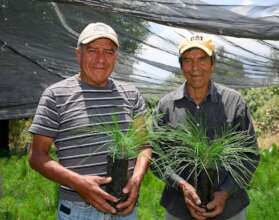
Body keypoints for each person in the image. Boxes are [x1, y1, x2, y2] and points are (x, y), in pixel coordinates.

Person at [28, 22, 151, 220]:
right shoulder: (56, 95)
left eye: (108, 51)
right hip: (78, 209)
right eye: (92, 50)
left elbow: (143, 145)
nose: (100, 59)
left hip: (125, 207)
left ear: (116, 57)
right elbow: (36, 156)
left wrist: (136, 180)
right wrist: (78, 183)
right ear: (79, 54)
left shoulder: (131, 94)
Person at [153, 34, 260, 220]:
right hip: (179, 208)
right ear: (181, 66)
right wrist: (181, 185)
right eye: (188, 60)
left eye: (202, 59)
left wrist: (225, 192)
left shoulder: (233, 102)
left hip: (230, 210)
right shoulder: (167, 105)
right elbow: (156, 157)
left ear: (212, 63)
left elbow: (249, 155)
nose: (195, 68)